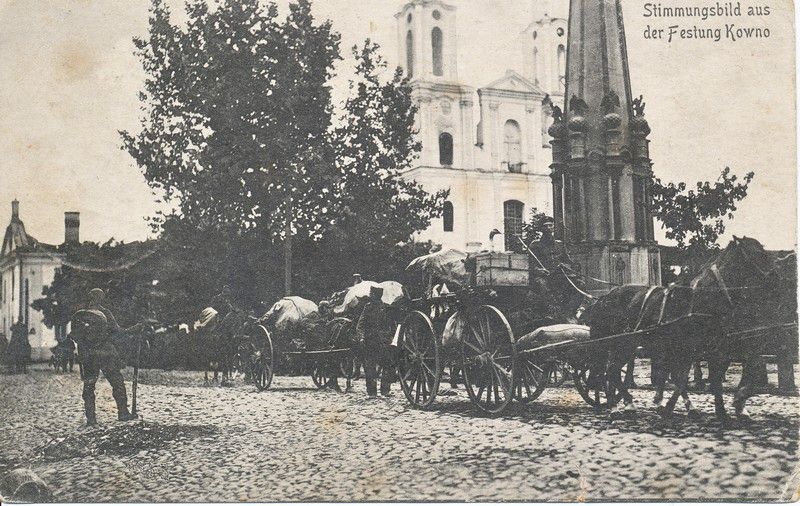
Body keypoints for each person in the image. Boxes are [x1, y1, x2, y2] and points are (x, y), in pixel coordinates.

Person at [74, 288, 136, 425]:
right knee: (117, 382)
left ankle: (91, 418)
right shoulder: (105, 313)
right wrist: (135, 329)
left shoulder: (81, 314)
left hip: (89, 355)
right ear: (101, 298)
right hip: (106, 353)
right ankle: (123, 412)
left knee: (89, 385)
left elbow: (75, 335)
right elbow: (119, 332)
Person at [355, 286, 395, 397]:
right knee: (370, 367)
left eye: (372, 294)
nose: (370, 296)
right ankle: (372, 392)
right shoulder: (368, 307)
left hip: (384, 341)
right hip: (370, 341)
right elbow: (360, 325)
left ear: (377, 295)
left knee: (388, 365)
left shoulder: (386, 308)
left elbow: (391, 325)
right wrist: (361, 337)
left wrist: (391, 337)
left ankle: (385, 390)